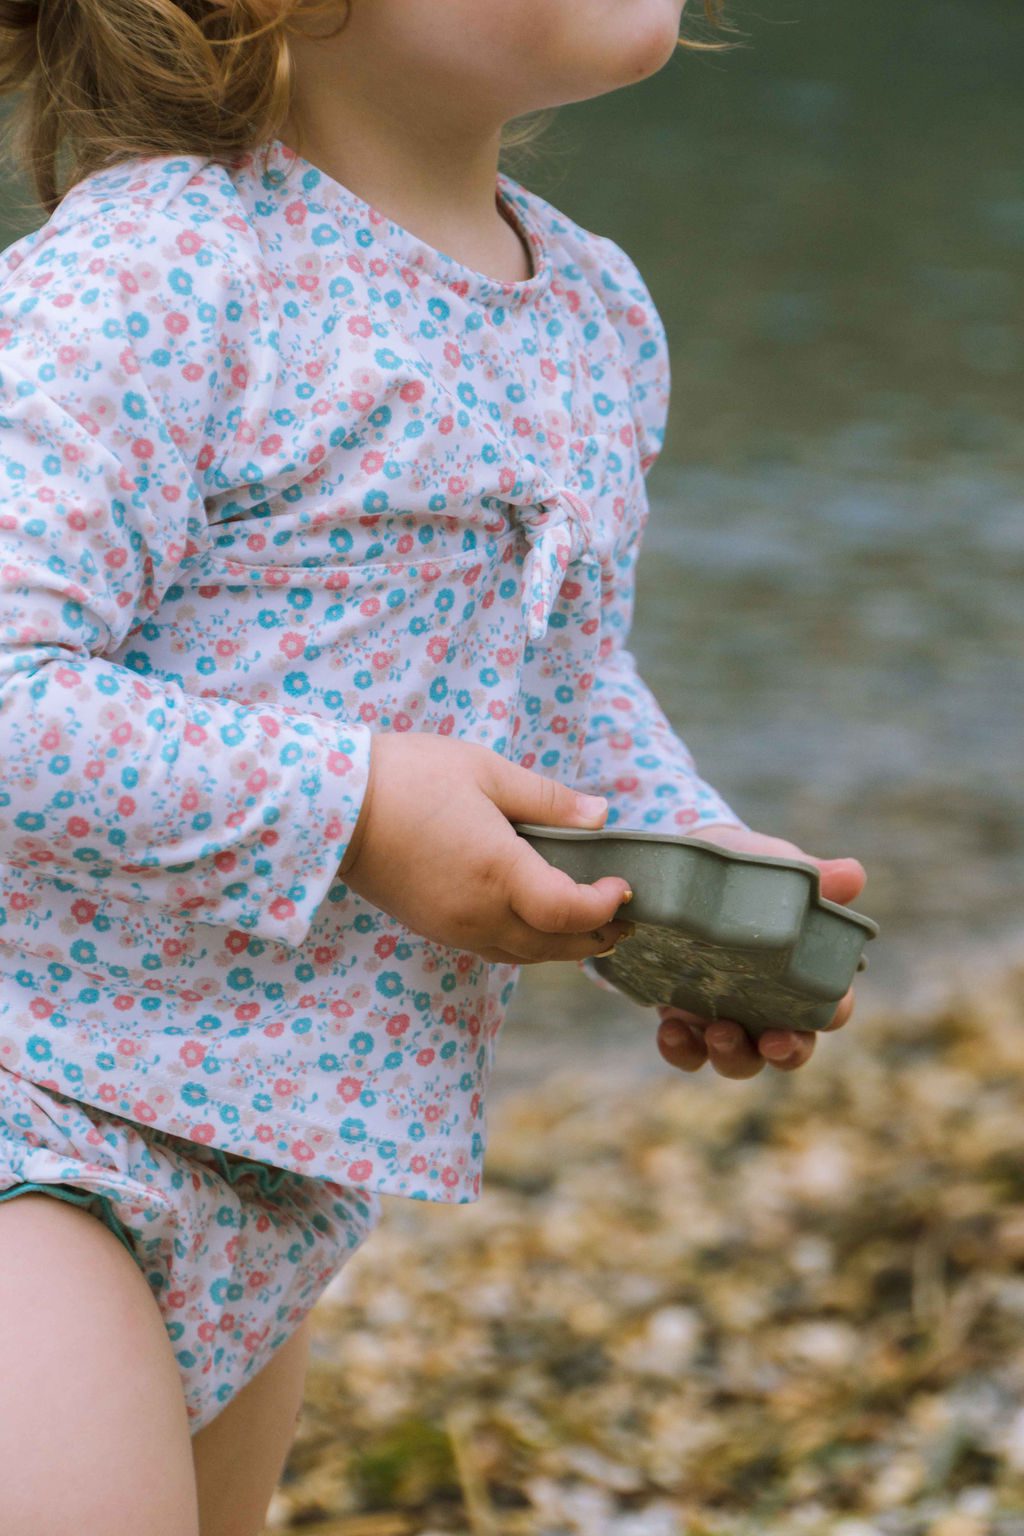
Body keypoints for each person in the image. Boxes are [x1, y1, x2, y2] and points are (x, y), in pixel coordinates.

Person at [0, 0, 867, 1531]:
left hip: (278, 1158)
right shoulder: (166, 267)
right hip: (44, 1107)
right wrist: (356, 804)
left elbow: (565, 680)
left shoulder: (596, 311)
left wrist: (687, 874)